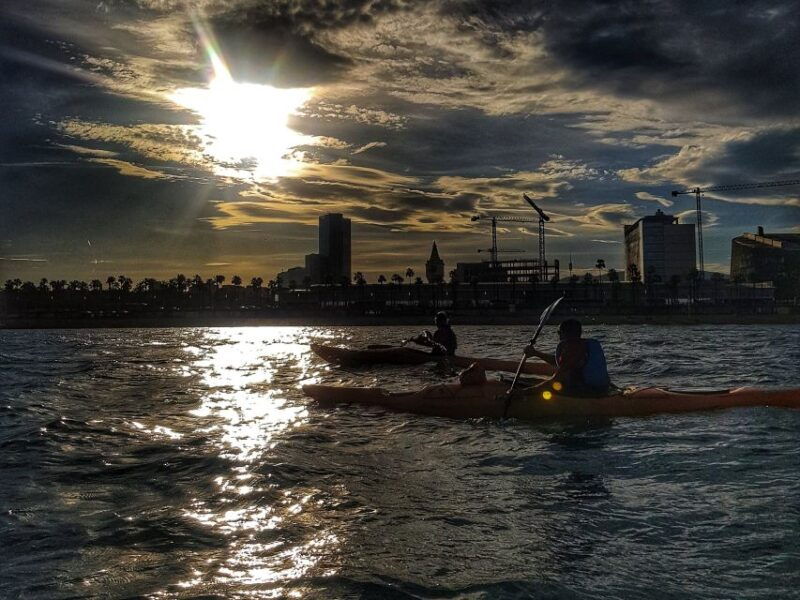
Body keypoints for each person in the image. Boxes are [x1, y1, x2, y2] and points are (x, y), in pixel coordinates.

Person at [524, 318, 610, 397]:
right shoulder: (587, 344)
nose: (558, 336)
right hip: (603, 388)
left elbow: (555, 379)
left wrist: (523, 392)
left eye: (559, 332)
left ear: (565, 333)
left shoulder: (573, 349)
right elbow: (563, 363)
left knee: (550, 385)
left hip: (589, 392)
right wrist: (536, 353)